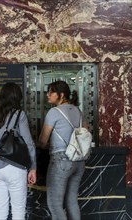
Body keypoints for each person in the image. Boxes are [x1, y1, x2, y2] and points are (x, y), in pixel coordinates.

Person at [0, 82, 37, 220]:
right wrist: (33, 168)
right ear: (18, 97)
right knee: (18, 210)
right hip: (15, 167)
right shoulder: (19, 115)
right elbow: (29, 143)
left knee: (0, 209)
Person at [38, 80, 85, 220]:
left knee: (55, 204)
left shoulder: (54, 112)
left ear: (61, 94)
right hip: (79, 161)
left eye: (51, 92)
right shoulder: (78, 110)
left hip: (61, 161)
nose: (48, 95)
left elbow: (42, 141)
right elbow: (85, 133)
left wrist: (46, 145)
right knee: (72, 201)